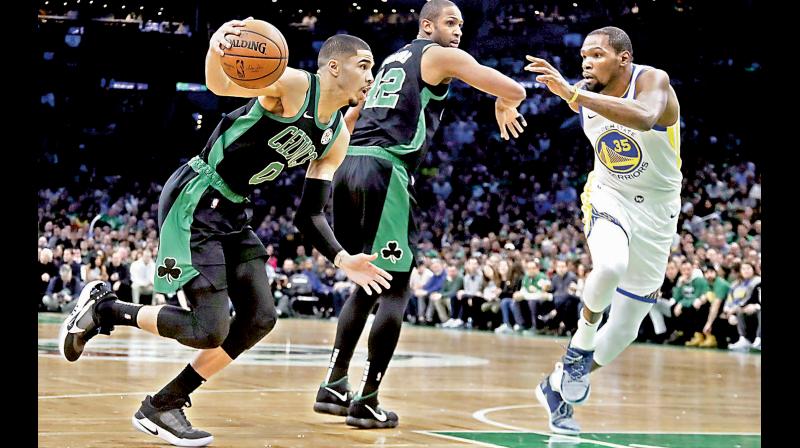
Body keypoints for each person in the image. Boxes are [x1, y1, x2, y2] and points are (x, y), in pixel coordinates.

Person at [58, 20, 391, 447]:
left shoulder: (337, 137)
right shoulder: (293, 85)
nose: (370, 76)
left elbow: (310, 214)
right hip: (198, 195)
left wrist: (343, 258)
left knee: (260, 318)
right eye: (364, 66)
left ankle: (165, 402)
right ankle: (105, 310)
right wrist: (218, 48)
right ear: (333, 68)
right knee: (207, 329)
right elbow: (221, 85)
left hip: (234, 209)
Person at [314, 0, 526, 429]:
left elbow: (352, 117)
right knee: (395, 286)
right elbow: (514, 88)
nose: (458, 30)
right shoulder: (439, 54)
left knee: (367, 282)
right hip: (385, 168)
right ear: (427, 26)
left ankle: (334, 385)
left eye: (461, 24)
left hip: (350, 163)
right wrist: (506, 101)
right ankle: (368, 398)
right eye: (450, 22)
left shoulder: (393, 59)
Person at [525, 26, 682, 435]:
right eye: (583, 56)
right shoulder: (581, 93)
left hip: (659, 210)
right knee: (610, 266)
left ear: (623, 59)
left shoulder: (652, 80)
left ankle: (557, 383)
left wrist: (573, 94)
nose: (586, 62)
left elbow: (646, 118)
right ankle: (580, 344)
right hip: (609, 195)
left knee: (628, 327)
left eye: (596, 55)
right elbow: (538, 92)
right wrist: (508, 103)